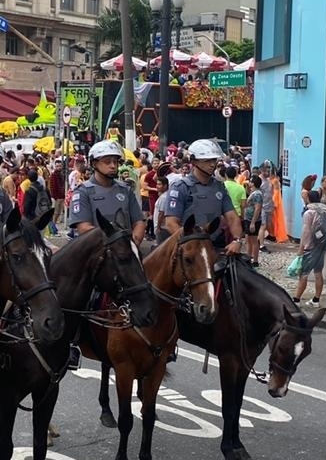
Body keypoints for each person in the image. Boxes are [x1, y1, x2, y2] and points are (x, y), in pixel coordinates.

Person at [68, 139, 145, 370]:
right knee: (78, 294)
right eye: (108, 161)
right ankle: (72, 342)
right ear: (94, 164)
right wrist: (114, 243)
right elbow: (83, 227)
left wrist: (134, 240)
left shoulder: (125, 191)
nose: (113, 166)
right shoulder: (84, 192)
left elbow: (139, 221)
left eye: (116, 162)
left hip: (124, 252)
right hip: (93, 255)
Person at [162, 138, 243, 251]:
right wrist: (191, 242)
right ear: (194, 161)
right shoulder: (180, 187)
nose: (212, 164)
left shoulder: (219, 187)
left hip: (215, 246)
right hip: (188, 249)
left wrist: (237, 241)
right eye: (207, 161)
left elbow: (232, 217)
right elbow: (171, 223)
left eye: (214, 160)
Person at [293, 190, 326, 305]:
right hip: (320, 245)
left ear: (308, 198)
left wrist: (302, 247)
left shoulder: (308, 213)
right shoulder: (322, 212)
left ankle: (297, 299)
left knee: (303, 273)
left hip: (310, 246)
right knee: (318, 273)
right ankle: (316, 299)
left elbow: (306, 231)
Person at [242, 174, 264, 263]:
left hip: (252, 220)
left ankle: (255, 260)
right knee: (248, 239)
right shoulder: (254, 193)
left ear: (253, 183)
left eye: (251, 181)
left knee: (253, 240)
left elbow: (258, 208)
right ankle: (249, 256)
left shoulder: (257, 194)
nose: (249, 183)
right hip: (249, 218)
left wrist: (253, 222)